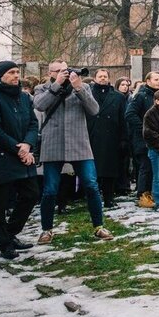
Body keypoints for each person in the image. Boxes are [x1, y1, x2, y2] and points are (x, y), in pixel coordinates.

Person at [33, 61, 112, 243]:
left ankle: (99, 226)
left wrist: (79, 88)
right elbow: (40, 106)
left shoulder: (83, 86)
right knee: (50, 189)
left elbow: (94, 110)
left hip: (79, 143)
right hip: (53, 144)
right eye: (60, 71)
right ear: (51, 73)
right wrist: (57, 85)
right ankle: (46, 230)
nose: (65, 73)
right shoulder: (42, 88)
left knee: (91, 185)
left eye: (66, 70)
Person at [0, 61, 42, 259]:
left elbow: (33, 124)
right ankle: (4, 244)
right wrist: (18, 149)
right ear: (1, 76)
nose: (16, 75)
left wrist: (28, 144)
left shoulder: (24, 97)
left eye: (17, 72)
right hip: (1, 156)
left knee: (31, 194)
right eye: (11, 72)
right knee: (1, 202)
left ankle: (10, 234)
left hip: (23, 154)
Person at [88, 69, 128, 209]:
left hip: (111, 137)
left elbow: (123, 119)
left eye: (105, 76)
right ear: (95, 78)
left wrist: (123, 139)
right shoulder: (88, 94)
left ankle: (109, 198)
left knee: (109, 171)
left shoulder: (118, 97)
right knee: (93, 171)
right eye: (100, 76)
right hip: (92, 136)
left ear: (109, 78)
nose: (103, 78)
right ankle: (93, 198)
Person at [125, 70, 159, 207]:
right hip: (143, 140)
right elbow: (130, 114)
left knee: (155, 169)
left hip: (158, 139)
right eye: (156, 79)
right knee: (145, 168)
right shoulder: (141, 96)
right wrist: (144, 128)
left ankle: (154, 194)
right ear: (148, 81)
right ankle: (143, 195)